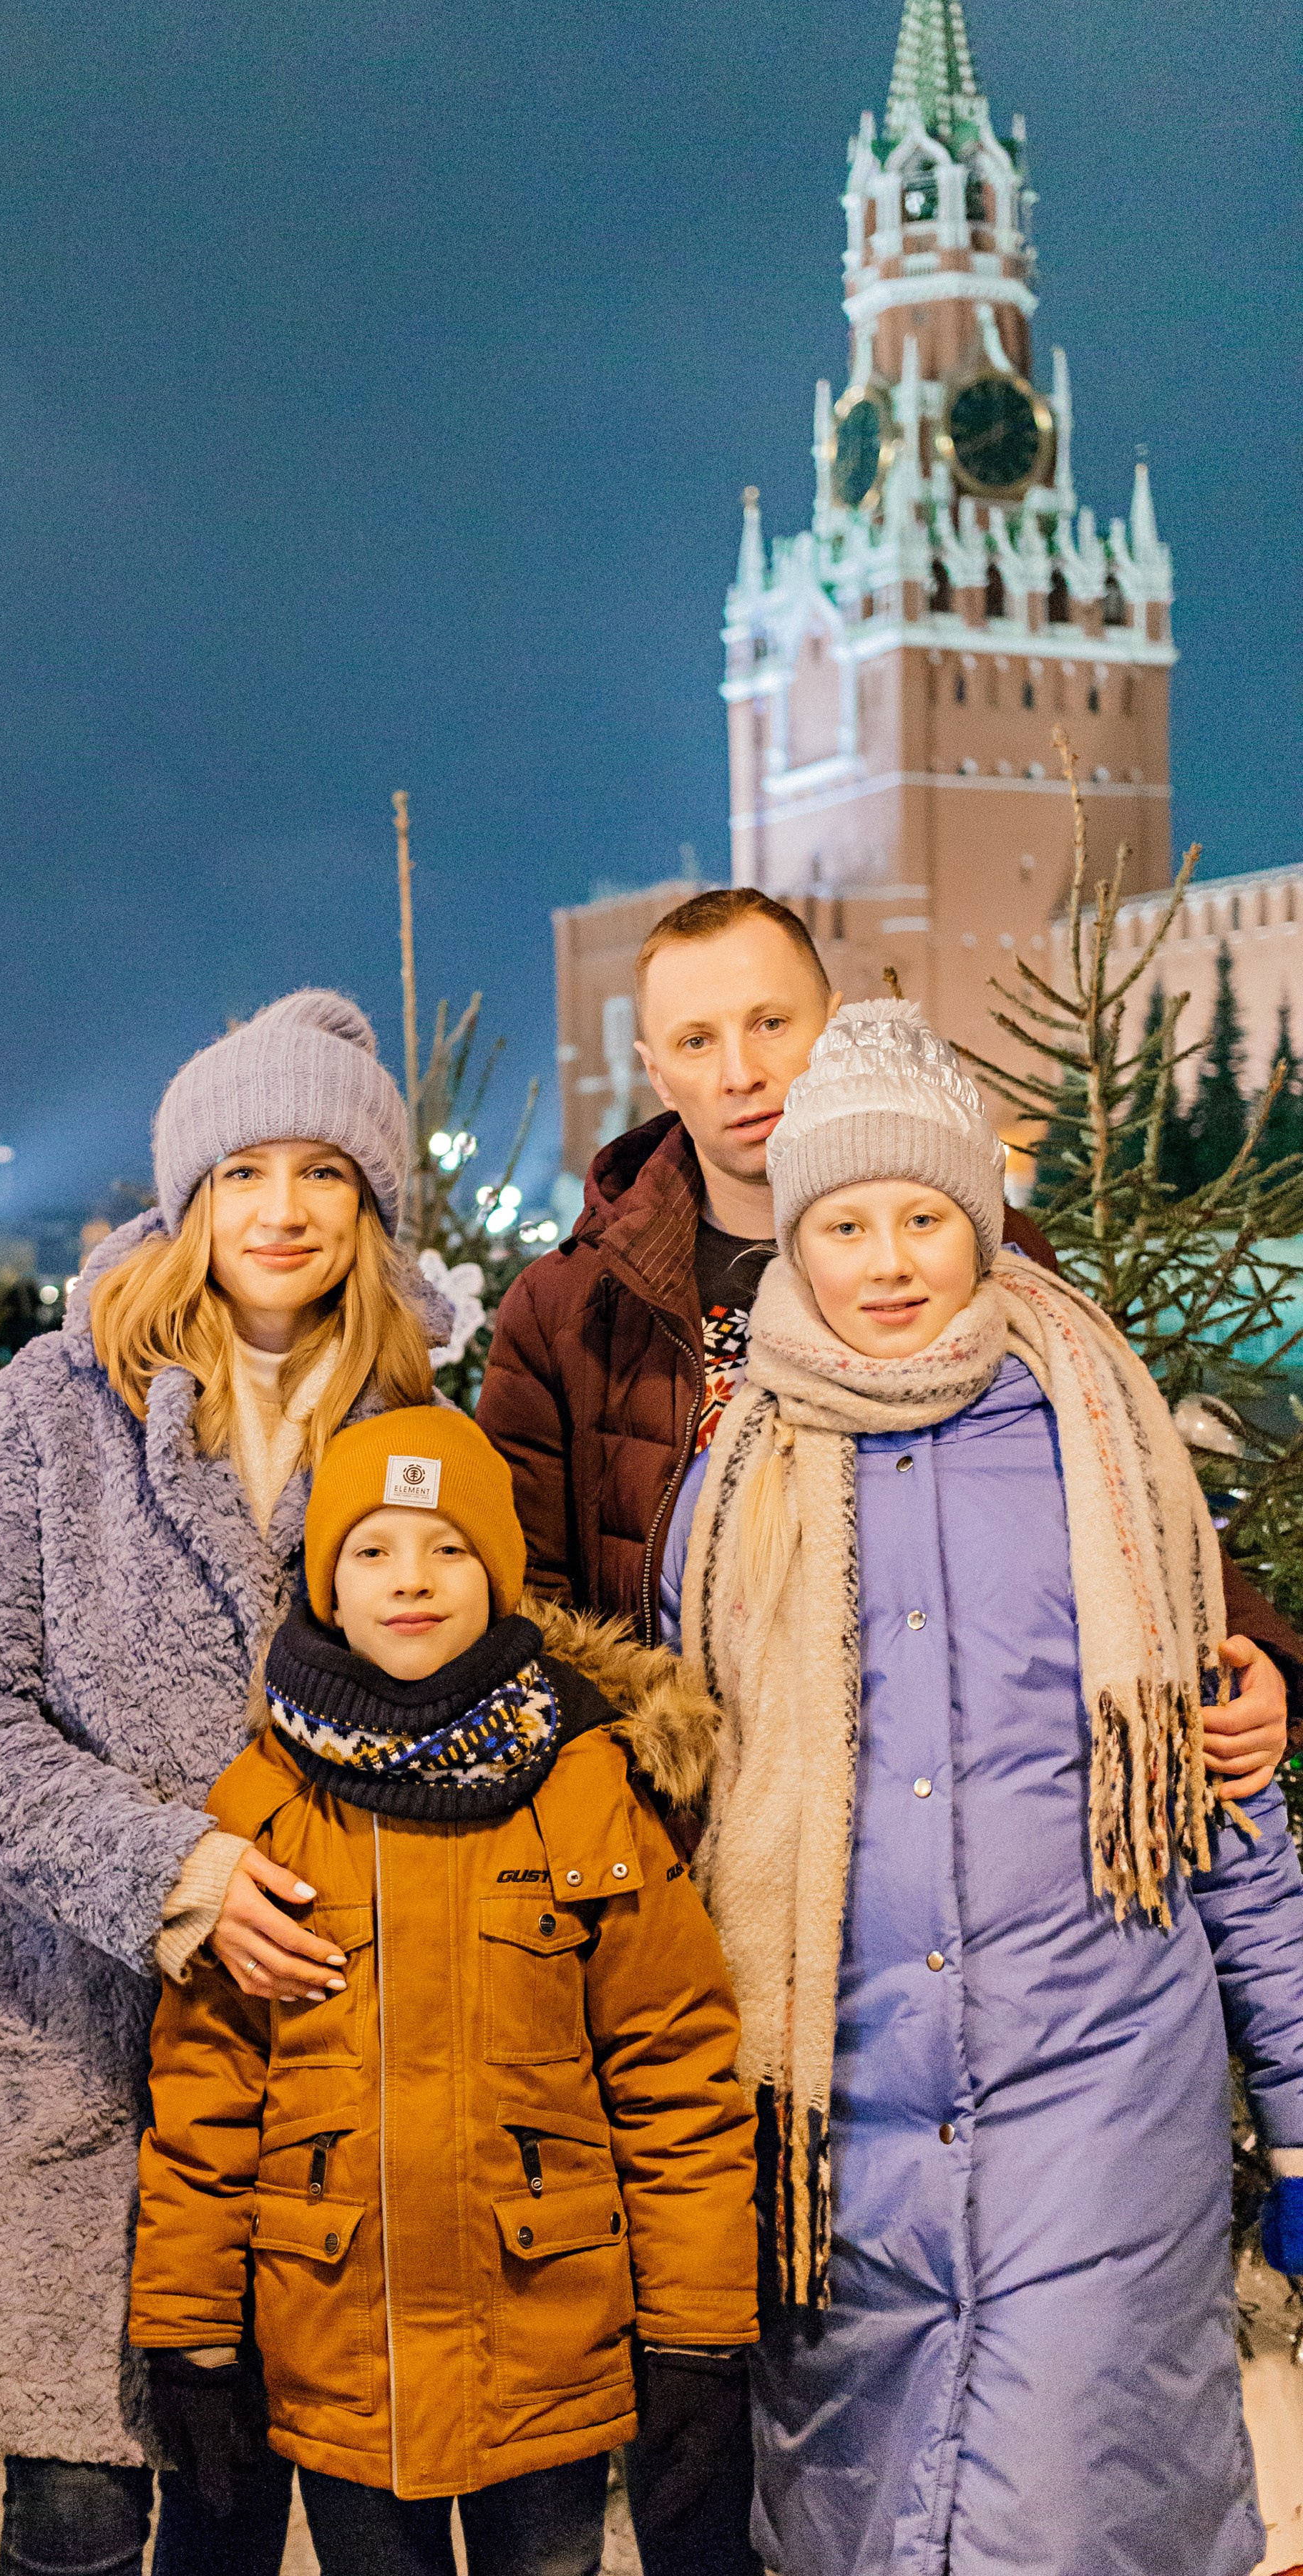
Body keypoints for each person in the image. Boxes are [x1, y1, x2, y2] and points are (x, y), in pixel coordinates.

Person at [676, 1001, 1303, 2576]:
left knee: (1078, 2505)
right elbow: (698, 1808)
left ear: (980, 1224)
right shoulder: (734, 1482)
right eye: (846, 1225)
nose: (888, 1262)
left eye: (925, 1218)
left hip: (1096, 2094)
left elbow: (1223, 1801)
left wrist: (1301, 2115)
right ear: (795, 1243)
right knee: (859, 2525)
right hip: (842, 2129)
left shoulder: (1103, 1448)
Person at [0, 990, 459, 2576]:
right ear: (189, 1197)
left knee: (239, 2507)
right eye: (245, 1172)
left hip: (313, 2058)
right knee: (75, 2515)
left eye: (324, 1173)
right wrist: (172, 1872)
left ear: (371, 1207)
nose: (283, 1210)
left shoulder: (412, 1426)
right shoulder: (53, 1409)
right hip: (74, 2047)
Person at [128, 1406, 758, 2576]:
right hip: (341, 2352)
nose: (410, 1579)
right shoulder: (265, 1808)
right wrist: (192, 2334)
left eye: (447, 1548)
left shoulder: (586, 1789)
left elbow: (674, 2075)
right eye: (372, 1549)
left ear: (499, 1574)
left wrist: (699, 2338)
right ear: (328, 1585)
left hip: (548, 2343)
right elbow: (206, 2091)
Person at [479, 884, 1294, 1756]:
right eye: (696, 1041)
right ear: (655, 1071)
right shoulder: (571, 1309)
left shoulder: (977, 1248)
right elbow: (524, 1606)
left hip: (962, 1776)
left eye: (770, 1023)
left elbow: (1119, 1477)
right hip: (689, 1803)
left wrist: (1255, 1658)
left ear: (832, 1023)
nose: (740, 1073)